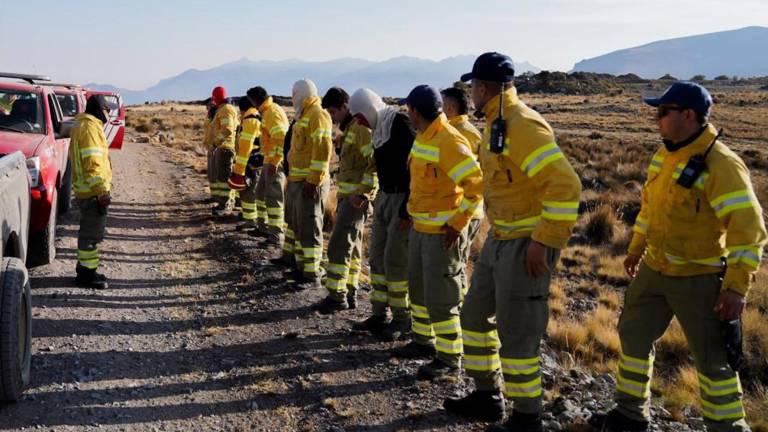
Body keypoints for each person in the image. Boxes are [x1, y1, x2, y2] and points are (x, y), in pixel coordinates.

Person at [590, 82, 767, 432]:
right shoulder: (665, 153)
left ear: (688, 115)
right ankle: (629, 415)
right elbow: (650, 209)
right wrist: (637, 246)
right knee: (634, 336)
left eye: (662, 112)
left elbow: (749, 231)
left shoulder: (722, 165)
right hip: (654, 268)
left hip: (699, 277)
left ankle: (728, 426)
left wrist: (735, 288)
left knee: (713, 359)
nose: (656, 119)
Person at [443, 52, 582, 432]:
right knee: (473, 315)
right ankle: (487, 394)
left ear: (484, 88)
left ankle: (526, 417)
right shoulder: (496, 123)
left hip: (525, 244)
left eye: (472, 86)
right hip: (500, 238)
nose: (470, 92)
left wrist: (544, 240)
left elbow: (565, 186)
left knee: (517, 333)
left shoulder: (522, 125)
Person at [390, 85, 482, 380]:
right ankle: (422, 341)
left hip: (442, 235)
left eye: (409, 110)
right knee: (418, 289)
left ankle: (449, 357)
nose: (408, 115)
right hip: (420, 229)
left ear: (415, 111)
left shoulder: (449, 141)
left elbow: (476, 186)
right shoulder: (423, 138)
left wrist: (457, 224)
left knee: (442, 297)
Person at [350, 90, 416, 341]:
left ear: (368, 109)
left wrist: (405, 210)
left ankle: (402, 318)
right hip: (384, 199)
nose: (358, 122)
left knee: (396, 262)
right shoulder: (378, 131)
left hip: (401, 200)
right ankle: (378, 314)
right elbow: (375, 169)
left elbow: (415, 169)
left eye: (359, 116)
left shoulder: (399, 125)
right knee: (377, 258)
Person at [314, 88, 378, 313]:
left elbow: (373, 164)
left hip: (355, 201)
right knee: (352, 248)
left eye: (333, 112)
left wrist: (363, 194)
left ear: (344, 106)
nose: (331, 117)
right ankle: (349, 293)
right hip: (348, 199)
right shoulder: (351, 128)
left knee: (339, 247)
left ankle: (337, 296)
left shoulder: (360, 130)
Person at [283, 79, 333, 289]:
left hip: (309, 183)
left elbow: (322, 152)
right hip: (296, 181)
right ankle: (299, 266)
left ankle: (311, 273)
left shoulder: (318, 115)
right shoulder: (302, 115)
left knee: (310, 227)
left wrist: (313, 181)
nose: (293, 97)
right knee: (297, 225)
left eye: (295, 93)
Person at [69, 95, 117, 289]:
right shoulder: (90, 128)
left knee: (90, 233)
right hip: (92, 192)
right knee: (91, 235)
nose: (109, 114)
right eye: (107, 110)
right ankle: (86, 276)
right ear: (100, 109)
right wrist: (101, 191)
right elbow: (93, 163)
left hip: (87, 190)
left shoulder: (85, 125)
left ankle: (86, 270)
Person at [442, 86, 485, 291]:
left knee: (454, 267)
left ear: (449, 108)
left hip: (463, 212)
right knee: (456, 263)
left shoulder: (461, 134)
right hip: (467, 211)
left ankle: (457, 313)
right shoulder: (468, 132)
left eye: (441, 105)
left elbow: (472, 178)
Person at [229, 97, 262, 225]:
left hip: (251, 163)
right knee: (250, 192)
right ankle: (249, 217)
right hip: (253, 162)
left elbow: (245, 148)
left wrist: (239, 170)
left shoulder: (250, 121)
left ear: (243, 109)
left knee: (249, 193)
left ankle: (250, 221)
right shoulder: (253, 118)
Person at [208, 86, 239, 216]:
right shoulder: (223, 109)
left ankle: (226, 205)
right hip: (222, 148)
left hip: (225, 148)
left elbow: (227, 129)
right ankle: (223, 203)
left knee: (225, 178)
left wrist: (216, 143)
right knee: (222, 178)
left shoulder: (226, 110)